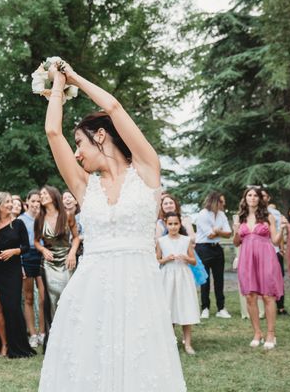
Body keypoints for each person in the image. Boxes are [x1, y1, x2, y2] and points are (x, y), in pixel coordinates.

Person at [38, 60, 185, 391]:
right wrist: (58, 87)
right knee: (90, 367)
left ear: (100, 136)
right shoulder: (83, 185)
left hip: (140, 292)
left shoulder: (147, 171)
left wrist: (75, 77)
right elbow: (52, 132)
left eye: (81, 143)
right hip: (91, 292)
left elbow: (114, 106)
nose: (76, 153)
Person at [0, 192, 36, 359]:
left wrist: (14, 251)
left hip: (13, 270)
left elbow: (26, 247)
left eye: (10, 202)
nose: (11, 204)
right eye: (7, 202)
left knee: (13, 307)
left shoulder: (18, 223)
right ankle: (4, 345)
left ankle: (18, 345)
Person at [233, 187, 283, 350]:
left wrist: (283, 229)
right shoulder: (240, 218)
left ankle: (270, 333)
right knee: (250, 296)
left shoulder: (268, 217)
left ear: (260, 199)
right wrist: (235, 231)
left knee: (268, 296)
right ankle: (257, 333)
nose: (253, 198)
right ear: (245, 198)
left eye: (256, 195)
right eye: (249, 195)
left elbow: (275, 241)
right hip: (246, 259)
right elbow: (236, 242)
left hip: (266, 258)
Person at [34, 185, 80, 345]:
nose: (42, 196)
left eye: (45, 193)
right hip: (50, 262)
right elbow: (35, 240)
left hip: (67, 260)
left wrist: (72, 253)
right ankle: (54, 340)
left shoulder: (67, 215)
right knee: (52, 300)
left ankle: (72, 338)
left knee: (68, 298)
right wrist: (42, 250)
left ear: (53, 195)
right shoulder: (39, 218)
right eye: (41, 194)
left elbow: (76, 237)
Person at [156, 211, 200, 355]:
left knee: (185, 306)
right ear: (166, 224)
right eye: (170, 224)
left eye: (176, 224)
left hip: (183, 276)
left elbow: (194, 261)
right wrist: (165, 259)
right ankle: (170, 342)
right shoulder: (161, 241)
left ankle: (188, 343)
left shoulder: (186, 240)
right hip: (167, 277)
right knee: (169, 308)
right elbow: (157, 260)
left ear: (180, 224)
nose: (173, 227)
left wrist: (187, 258)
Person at [194, 191, 232, 319]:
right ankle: (205, 308)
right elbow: (209, 234)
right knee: (205, 280)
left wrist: (217, 231)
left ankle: (221, 308)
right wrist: (220, 232)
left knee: (219, 279)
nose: (224, 203)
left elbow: (229, 233)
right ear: (215, 202)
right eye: (222, 201)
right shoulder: (202, 215)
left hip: (217, 248)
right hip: (203, 248)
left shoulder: (222, 215)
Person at [19, 189, 46, 348]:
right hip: (27, 257)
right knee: (28, 298)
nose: (36, 204)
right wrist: (21, 264)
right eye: (33, 201)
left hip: (42, 256)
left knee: (43, 297)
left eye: (38, 201)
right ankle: (33, 334)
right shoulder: (21, 220)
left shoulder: (44, 218)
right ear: (27, 202)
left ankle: (43, 332)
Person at [261, 189, 288, 315]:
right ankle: (264, 308)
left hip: (275, 250)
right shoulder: (254, 214)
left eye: (264, 195)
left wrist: (282, 248)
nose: (261, 197)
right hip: (260, 252)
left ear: (268, 198)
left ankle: (280, 306)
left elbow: (279, 231)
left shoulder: (275, 213)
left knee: (278, 279)